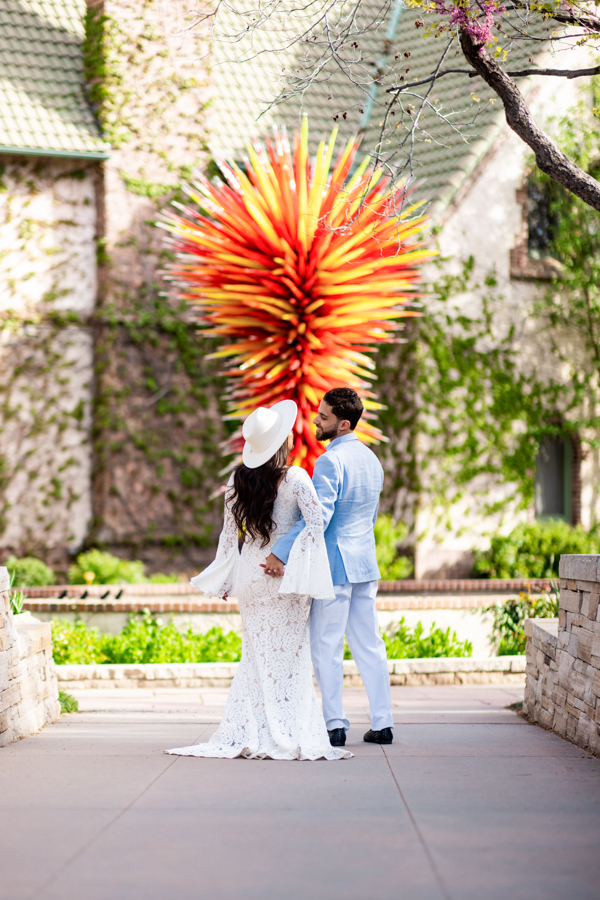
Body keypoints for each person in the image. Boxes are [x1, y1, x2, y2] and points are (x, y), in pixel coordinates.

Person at [166, 399, 351, 761]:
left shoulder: (236, 480)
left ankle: (255, 730)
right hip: (284, 577)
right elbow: (316, 523)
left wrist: (224, 581)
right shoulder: (296, 477)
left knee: (254, 656)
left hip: (251, 575)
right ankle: (288, 730)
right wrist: (289, 560)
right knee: (291, 656)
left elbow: (227, 537)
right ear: (282, 441)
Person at [264, 387, 394, 748]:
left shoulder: (329, 461)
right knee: (370, 644)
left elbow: (317, 516)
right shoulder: (372, 460)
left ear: (343, 423)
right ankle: (383, 724)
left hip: (335, 566)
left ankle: (334, 725)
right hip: (366, 565)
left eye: (323, 417)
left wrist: (282, 552)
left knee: (325, 645)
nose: (316, 421)